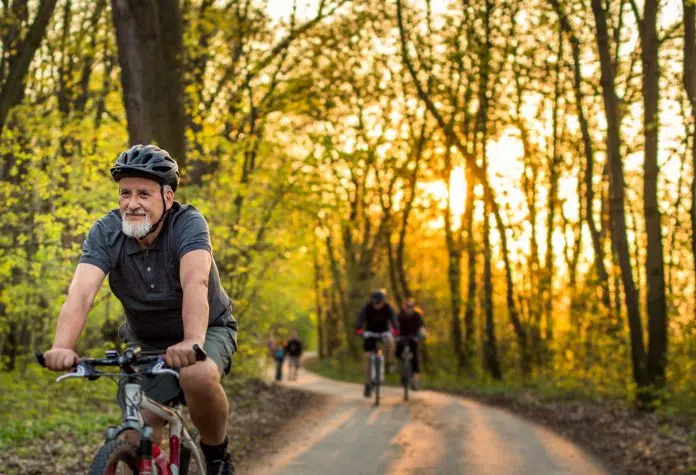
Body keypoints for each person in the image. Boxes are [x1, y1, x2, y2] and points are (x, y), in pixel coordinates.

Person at [41, 144, 237, 475]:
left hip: (206, 329)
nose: (132, 203)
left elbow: (196, 283)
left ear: (168, 198)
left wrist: (192, 341)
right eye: (125, 193)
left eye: (144, 194)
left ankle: (216, 455)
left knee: (197, 374)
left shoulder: (188, 224)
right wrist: (62, 346)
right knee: (137, 436)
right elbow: (81, 292)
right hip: (145, 342)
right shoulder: (106, 231)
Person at [354, 289, 399, 398]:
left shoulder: (388, 308)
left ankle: (388, 363)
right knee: (367, 356)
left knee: (390, 341)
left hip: (384, 332)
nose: (376, 306)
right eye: (374, 303)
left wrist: (396, 329)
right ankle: (368, 384)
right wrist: (359, 329)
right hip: (370, 334)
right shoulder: (367, 308)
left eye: (379, 303)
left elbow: (394, 318)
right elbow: (360, 318)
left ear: (383, 302)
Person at [396, 297, 426, 390]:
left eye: (411, 306)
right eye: (407, 306)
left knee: (415, 357)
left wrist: (421, 335)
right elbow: (394, 326)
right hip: (401, 337)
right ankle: (402, 373)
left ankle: (414, 381)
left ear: (414, 307)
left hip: (413, 337)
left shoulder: (418, 315)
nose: (409, 308)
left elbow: (422, 328)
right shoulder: (399, 315)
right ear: (404, 306)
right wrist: (394, 335)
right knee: (398, 354)